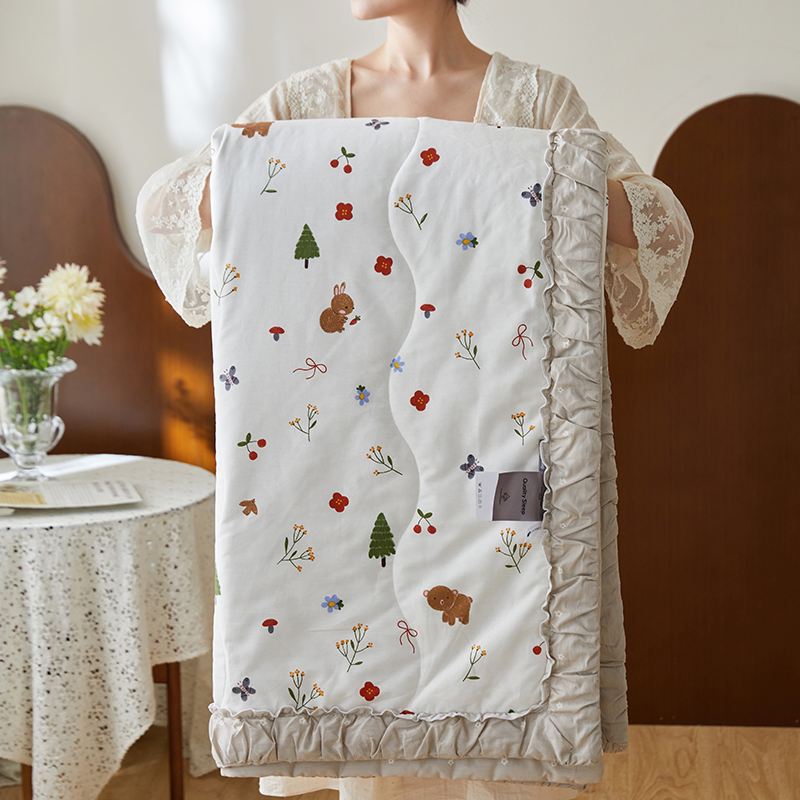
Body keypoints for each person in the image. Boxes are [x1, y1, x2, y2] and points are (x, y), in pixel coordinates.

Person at [137, 1, 693, 798]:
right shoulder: (304, 105)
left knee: (503, 663)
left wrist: (546, 183)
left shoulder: (534, 103)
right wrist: (259, 173)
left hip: (493, 444)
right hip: (341, 461)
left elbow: (659, 225)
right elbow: (168, 209)